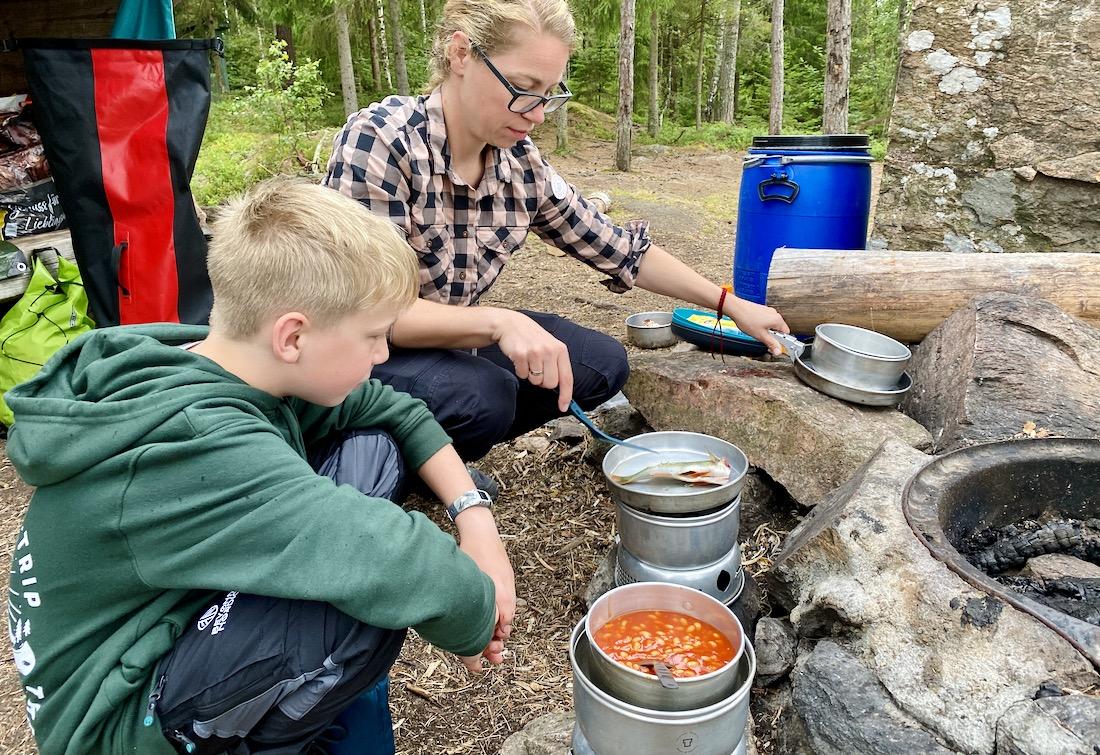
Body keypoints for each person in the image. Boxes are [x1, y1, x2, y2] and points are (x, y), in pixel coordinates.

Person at [5, 179, 515, 754]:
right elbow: (391, 557)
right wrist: (475, 616)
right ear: (292, 336)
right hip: (116, 722)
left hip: (164, 624)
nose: (383, 356)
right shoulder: (197, 440)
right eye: (374, 337)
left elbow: (392, 409)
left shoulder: (221, 362)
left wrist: (475, 517)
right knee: (357, 604)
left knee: (371, 445)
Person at [324, 0, 790, 472]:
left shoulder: (519, 162)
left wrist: (729, 305)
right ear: (461, 54)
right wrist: (500, 322)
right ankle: (368, 454)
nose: (538, 114)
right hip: (360, 355)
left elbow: (619, 249)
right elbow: (368, 311)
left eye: (549, 93)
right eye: (523, 88)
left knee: (600, 363)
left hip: (449, 339)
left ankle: (432, 446)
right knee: (481, 395)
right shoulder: (384, 141)